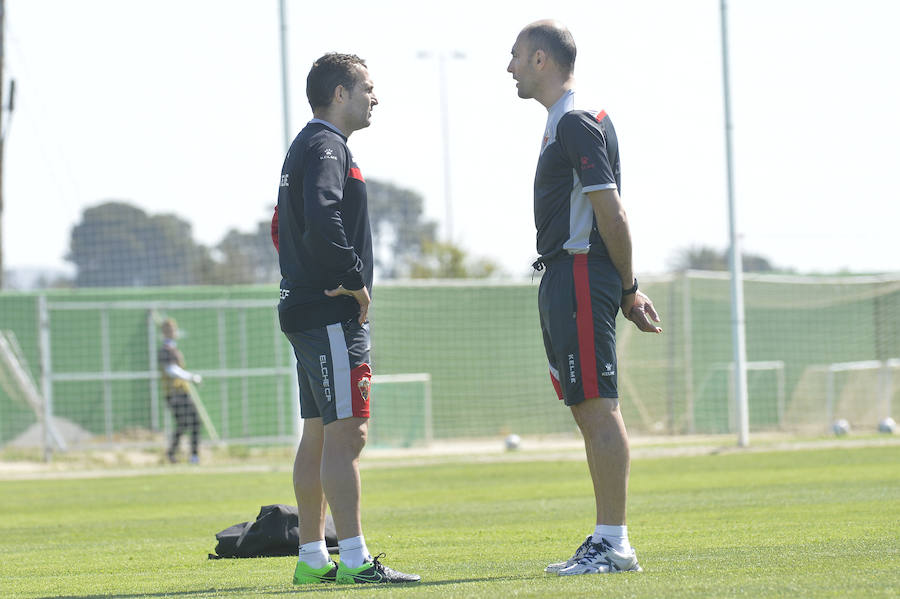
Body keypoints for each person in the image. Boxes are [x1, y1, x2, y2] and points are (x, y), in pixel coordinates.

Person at [507, 20, 663, 576]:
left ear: (543, 61)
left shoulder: (575, 120)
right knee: (586, 407)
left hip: (579, 273)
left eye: (517, 56)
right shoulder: (566, 119)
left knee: (598, 407)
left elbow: (611, 211)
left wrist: (628, 287)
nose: (511, 67)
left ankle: (614, 543)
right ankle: (607, 538)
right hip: (567, 275)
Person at [276, 52, 420, 586]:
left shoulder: (304, 146)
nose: (374, 97)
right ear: (340, 94)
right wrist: (352, 279)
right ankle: (356, 560)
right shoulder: (327, 146)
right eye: (367, 88)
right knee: (348, 434)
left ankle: (313, 560)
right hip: (331, 315)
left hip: (305, 309)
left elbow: (280, 226)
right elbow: (321, 211)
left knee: (317, 434)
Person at [158, 318, 202, 464]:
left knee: (189, 423)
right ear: (164, 332)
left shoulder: (174, 349)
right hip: (174, 393)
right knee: (188, 423)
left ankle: (186, 455)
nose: (172, 332)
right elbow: (171, 370)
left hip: (182, 391)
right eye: (169, 329)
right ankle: (178, 454)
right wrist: (191, 377)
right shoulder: (165, 350)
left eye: (173, 329)